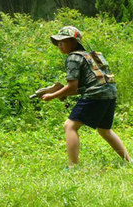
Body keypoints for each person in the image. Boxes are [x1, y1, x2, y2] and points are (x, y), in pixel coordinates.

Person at [41, 26, 130, 167]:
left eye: (64, 41)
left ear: (74, 42)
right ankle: (129, 161)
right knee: (105, 130)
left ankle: (73, 167)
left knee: (70, 126)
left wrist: (52, 95)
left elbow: (72, 87)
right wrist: (60, 93)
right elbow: (81, 87)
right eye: (58, 42)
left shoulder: (73, 58)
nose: (60, 45)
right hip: (110, 93)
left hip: (96, 94)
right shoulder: (89, 56)